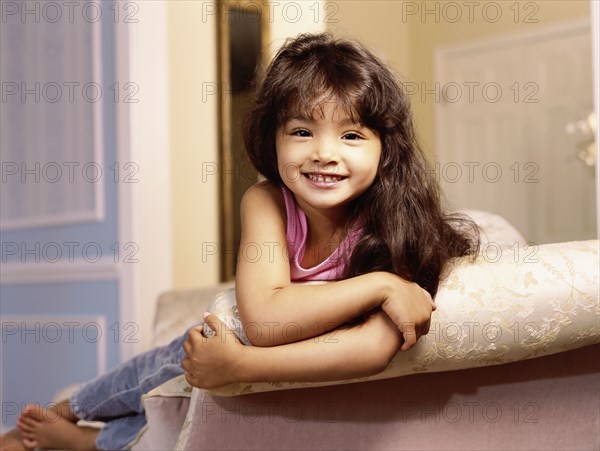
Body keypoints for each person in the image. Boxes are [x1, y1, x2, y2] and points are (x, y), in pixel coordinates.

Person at [1, 32, 479, 451]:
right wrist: (381, 286)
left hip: (278, 362)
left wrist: (241, 366)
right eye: (301, 131)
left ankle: (92, 443)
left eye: (352, 134)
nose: (324, 153)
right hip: (240, 340)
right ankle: (76, 406)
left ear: (386, 150)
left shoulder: (393, 225)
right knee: (165, 367)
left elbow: (375, 346)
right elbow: (266, 318)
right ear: (272, 139)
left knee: (189, 408)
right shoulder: (266, 200)